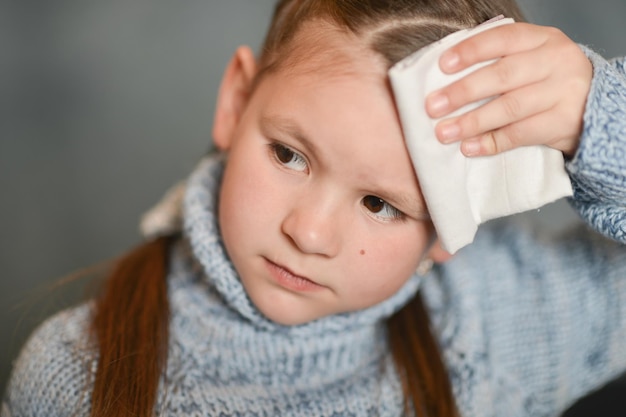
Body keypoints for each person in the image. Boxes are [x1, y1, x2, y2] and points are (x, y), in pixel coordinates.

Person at [3, 0, 626, 416]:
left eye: (381, 204)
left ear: (451, 229)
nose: (308, 232)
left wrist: (602, 119)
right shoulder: (69, 376)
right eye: (289, 156)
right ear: (236, 100)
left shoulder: (494, 325)